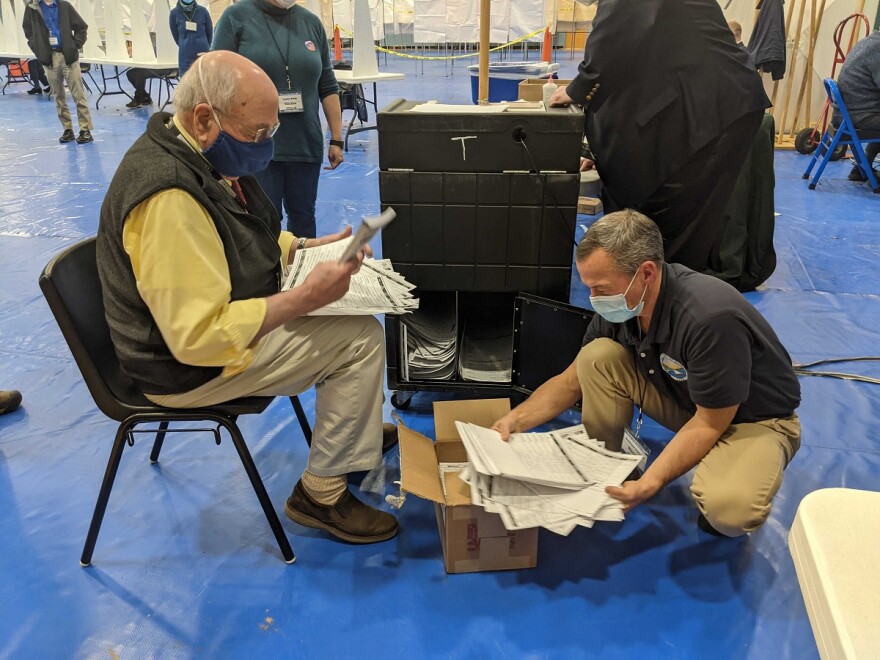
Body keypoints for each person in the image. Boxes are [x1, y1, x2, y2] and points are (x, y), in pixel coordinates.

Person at [95, 51, 398, 545]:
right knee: (358, 337)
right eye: (258, 133)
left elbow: (240, 235)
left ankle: (354, 434)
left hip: (187, 340)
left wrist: (301, 247)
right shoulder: (169, 196)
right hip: (179, 366)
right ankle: (319, 496)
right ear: (204, 117)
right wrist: (301, 300)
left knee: (351, 317)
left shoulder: (196, 152)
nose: (266, 145)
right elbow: (196, 338)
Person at [491, 211, 801, 538]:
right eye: (589, 288)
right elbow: (572, 380)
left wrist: (649, 483)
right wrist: (516, 419)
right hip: (689, 400)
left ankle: (745, 462)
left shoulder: (709, 317)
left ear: (646, 273)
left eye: (601, 288)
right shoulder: (626, 304)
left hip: (751, 420)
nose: (595, 299)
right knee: (596, 357)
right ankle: (604, 462)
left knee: (728, 512)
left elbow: (712, 422)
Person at [549, 0, 769, 273]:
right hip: (688, 106)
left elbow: (614, 39)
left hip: (709, 109)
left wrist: (577, 89)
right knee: (654, 225)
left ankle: (662, 303)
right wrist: (602, 147)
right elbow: (634, 54)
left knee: (669, 233)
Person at [212, 0, 344, 237]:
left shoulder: (311, 23)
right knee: (262, 222)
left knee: (304, 218)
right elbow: (215, 83)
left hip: (304, 142)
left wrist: (336, 139)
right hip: (255, 146)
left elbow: (327, 84)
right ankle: (267, 275)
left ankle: (302, 273)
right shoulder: (235, 18)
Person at [22, 0, 94, 144]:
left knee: (78, 94)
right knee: (58, 96)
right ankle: (67, 129)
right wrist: (39, 50)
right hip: (49, 58)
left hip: (68, 56)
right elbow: (28, 31)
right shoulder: (32, 8)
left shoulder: (64, 6)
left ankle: (85, 129)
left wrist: (74, 45)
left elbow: (81, 27)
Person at [835, 29, 880, 182]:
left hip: (846, 114)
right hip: (857, 116)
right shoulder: (878, 48)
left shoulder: (869, 41)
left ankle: (861, 168)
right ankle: (863, 167)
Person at [170, 0, 213, 76]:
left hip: (202, 53)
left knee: (205, 80)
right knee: (186, 82)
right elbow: (175, 36)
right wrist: (184, 44)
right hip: (185, 55)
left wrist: (205, 45)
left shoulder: (203, 11)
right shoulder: (174, 13)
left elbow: (209, 32)